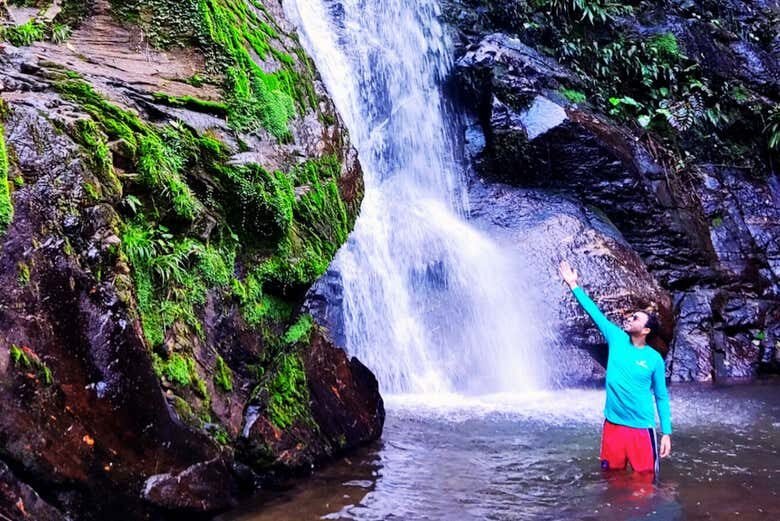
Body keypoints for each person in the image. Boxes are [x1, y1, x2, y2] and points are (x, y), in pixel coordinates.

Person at [559, 260, 671, 478]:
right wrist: (573, 285)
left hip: (641, 428)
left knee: (645, 484)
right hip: (613, 426)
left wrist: (666, 432)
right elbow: (595, 313)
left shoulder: (654, 359)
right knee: (611, 479)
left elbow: (661, 397)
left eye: (635, 318)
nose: (629, 318)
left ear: (646, 330)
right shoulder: (617, 338)